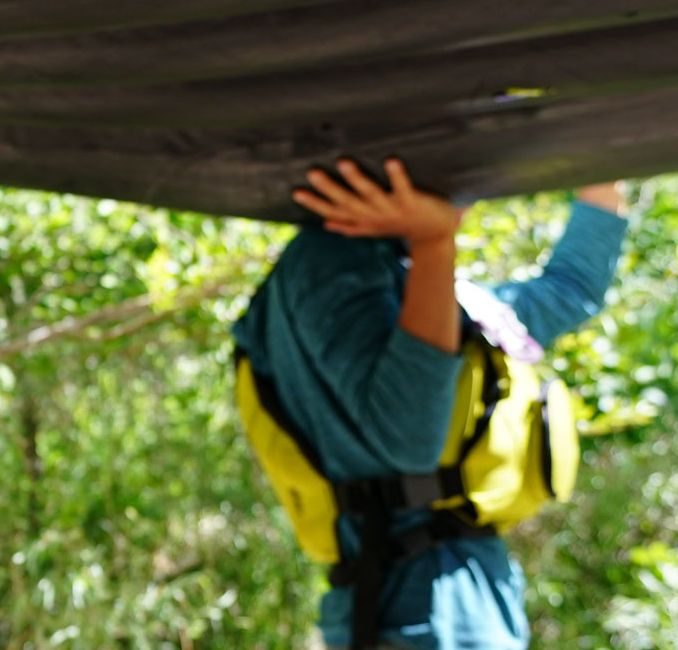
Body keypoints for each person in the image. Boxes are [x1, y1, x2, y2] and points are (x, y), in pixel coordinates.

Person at [232, 158, 627, 650]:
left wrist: (603, 161)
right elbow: (408, 437)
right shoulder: (329, 258)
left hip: (462, 610)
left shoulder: (424, 282)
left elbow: (571, 289)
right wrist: (434, 244)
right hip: (411, 616)